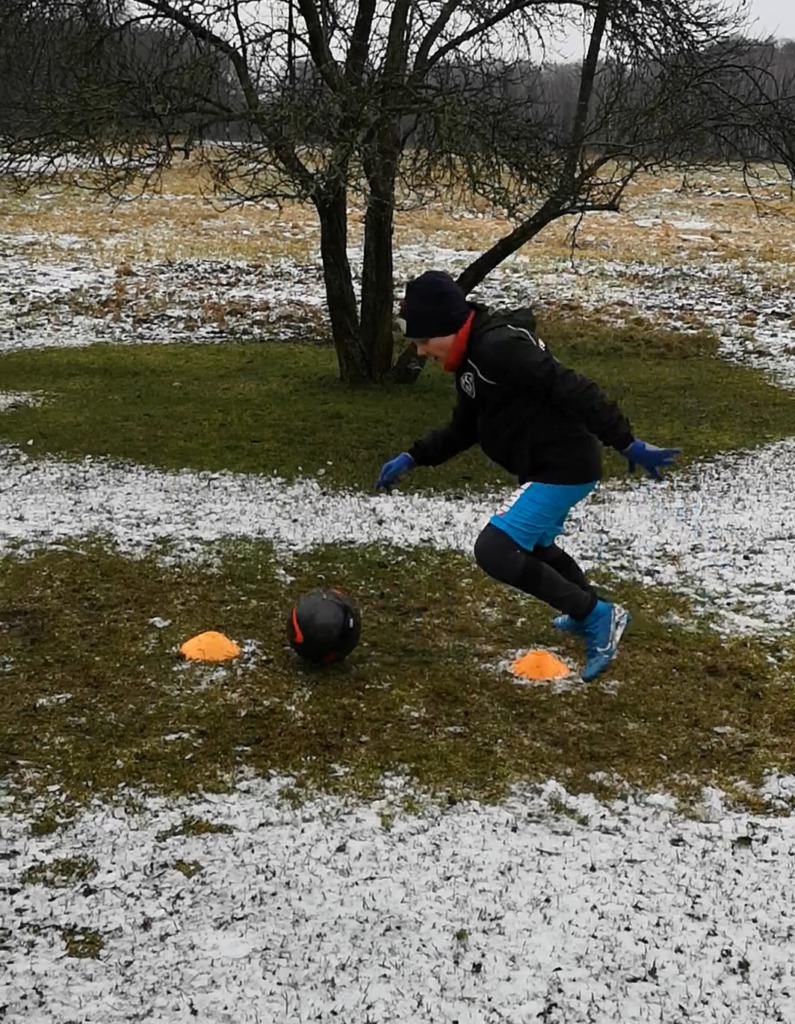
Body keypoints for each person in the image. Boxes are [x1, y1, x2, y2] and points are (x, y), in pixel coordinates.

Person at [376, 270, 680, 681]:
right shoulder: (470, 361)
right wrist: (414, 456)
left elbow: (573, 388)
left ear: (448, 326)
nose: (420, 351)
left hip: (565, 465)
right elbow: (465, 428)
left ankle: (597, 616)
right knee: (534, 545)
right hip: (546, 465)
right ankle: (586, 610)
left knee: (495, 549)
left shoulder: (498, 348)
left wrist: (627, 442)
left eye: (424, 340)